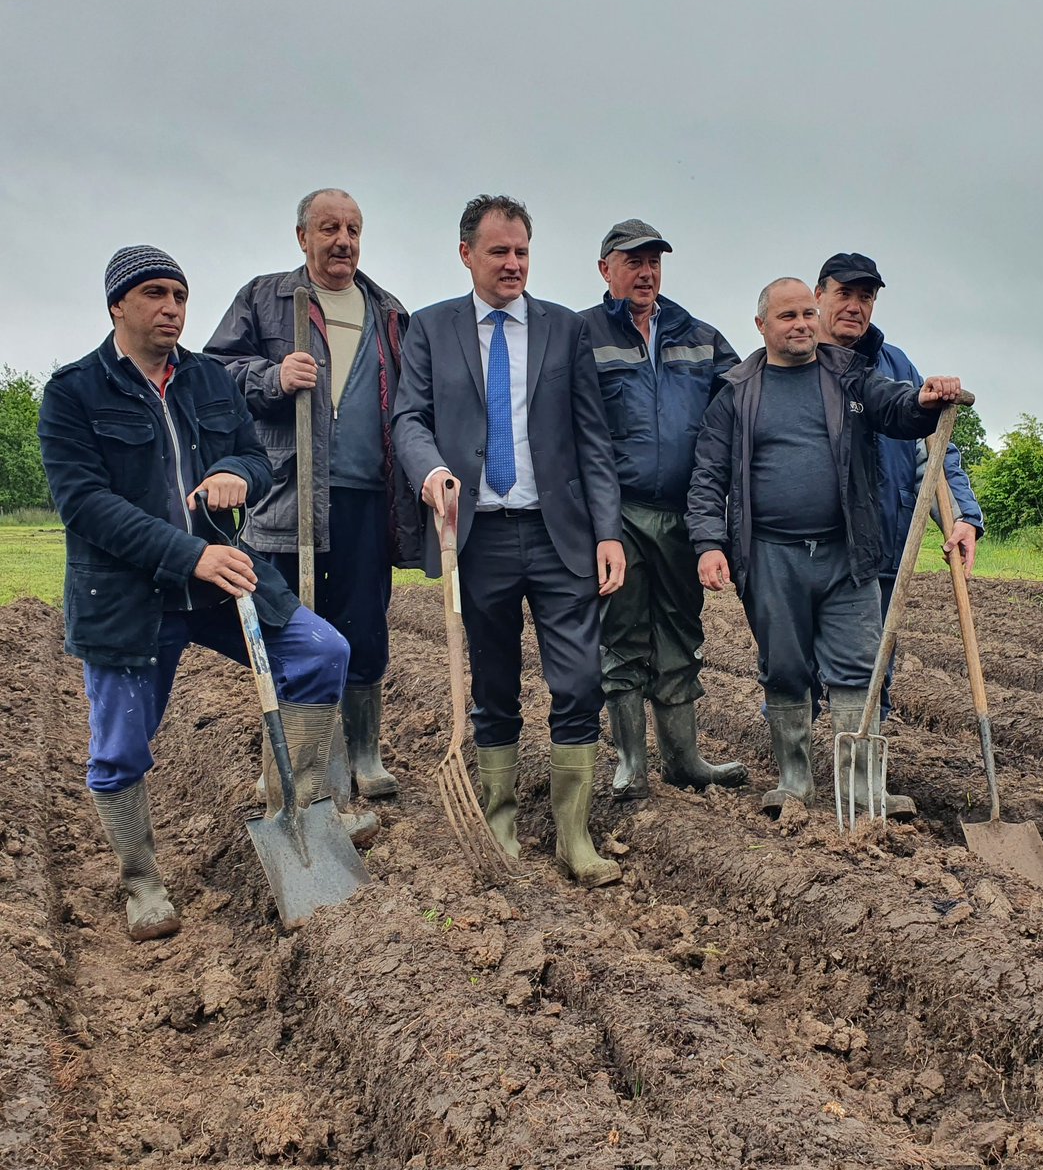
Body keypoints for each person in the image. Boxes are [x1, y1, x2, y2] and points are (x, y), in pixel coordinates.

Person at [38, 246, 354, 942]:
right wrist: (191, 554)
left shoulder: (208, 378)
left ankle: (295, 809)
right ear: (117, 304)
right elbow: (85, 505)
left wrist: (237, 474)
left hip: (221, 582)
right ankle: (141, 881)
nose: (172, 308)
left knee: (322, 651)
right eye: (154, 294)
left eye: (179, 295)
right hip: (128, 596)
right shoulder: (73, 392)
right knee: (119, 748)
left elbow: (254, 457)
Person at [392, 195, 626, 887]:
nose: (513, 264)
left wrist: (607, 532)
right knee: (492, 686)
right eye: (499, 251)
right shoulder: (431, 329)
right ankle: (497, 822)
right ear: (467, 254)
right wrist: (431, 471)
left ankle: (573, 834)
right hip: (479, 537)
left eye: (521, 250)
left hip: (560, 536)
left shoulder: (562, 329)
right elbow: (408, 417)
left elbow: (592, 438)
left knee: (579, 680)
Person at [686, 278, 963, 818]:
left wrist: (925, 400)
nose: (802, 324)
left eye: (809, 314)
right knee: (785, 668)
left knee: (859, 668)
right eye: (787, 316)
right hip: (770, 557)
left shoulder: (849, 377)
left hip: (846, 553)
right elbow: (707, 476)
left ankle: (863, 788)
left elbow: (897, 410)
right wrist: (707, 543)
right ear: (762, 325)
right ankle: (794, 783)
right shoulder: (736, 393)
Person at [205, 189, 421, 815]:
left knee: (364, 624)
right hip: (286, 498)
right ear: (302, 236)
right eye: (329, 228)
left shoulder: (388, 312)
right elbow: (213, 373)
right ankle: (292, 763)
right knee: (292, 630)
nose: (343, 241)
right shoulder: (266, 298)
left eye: (353, 229)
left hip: (364, 499)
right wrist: (271, 379)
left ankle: (364, 754)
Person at [580, 220, 746, 800]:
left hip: (682, 514)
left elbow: (743, 398)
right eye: (633, 261)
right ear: (606, 269)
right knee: (622, 633)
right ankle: (631, 763)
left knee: (681, 627)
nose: (646, 272)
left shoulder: (698, 335)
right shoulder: (583, 335)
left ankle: (685, 759)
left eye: (653, 261)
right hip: (615, 513)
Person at [815, 253, 984, 718]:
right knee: (797, 671)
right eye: (844, 293)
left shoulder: (896, 365)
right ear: (819, 296)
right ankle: (796, 777)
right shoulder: (794, 361)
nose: (855, 305)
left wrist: (965, 517)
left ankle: (865, 778)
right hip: (809, 547)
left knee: (874, 667)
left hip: (883, 546)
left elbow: (935, 450)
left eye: (865, 296)